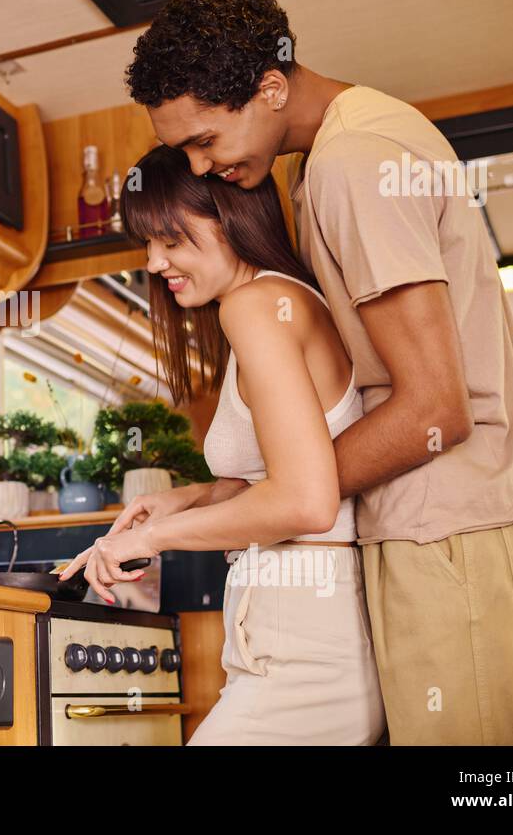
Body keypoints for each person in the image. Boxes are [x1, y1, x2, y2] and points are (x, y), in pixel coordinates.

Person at [111, 0, 513, 745]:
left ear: (273, 86)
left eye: (206, 141)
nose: (199, 164)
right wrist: (221, 499)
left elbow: (433, 409)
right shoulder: (337, 151)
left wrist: (276, 497)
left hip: (458, 525)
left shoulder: (355, 161)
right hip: (442, 525)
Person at [59, 145, 386, 745]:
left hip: (303, 645)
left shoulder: (256, 307)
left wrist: (150, 538)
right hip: (301, 631)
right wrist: (190, 499)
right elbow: (287, 475)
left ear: (229, 215)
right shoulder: (278, 299)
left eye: (171, 239)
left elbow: (306, 503)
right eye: (147, 243)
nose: (155, 261)